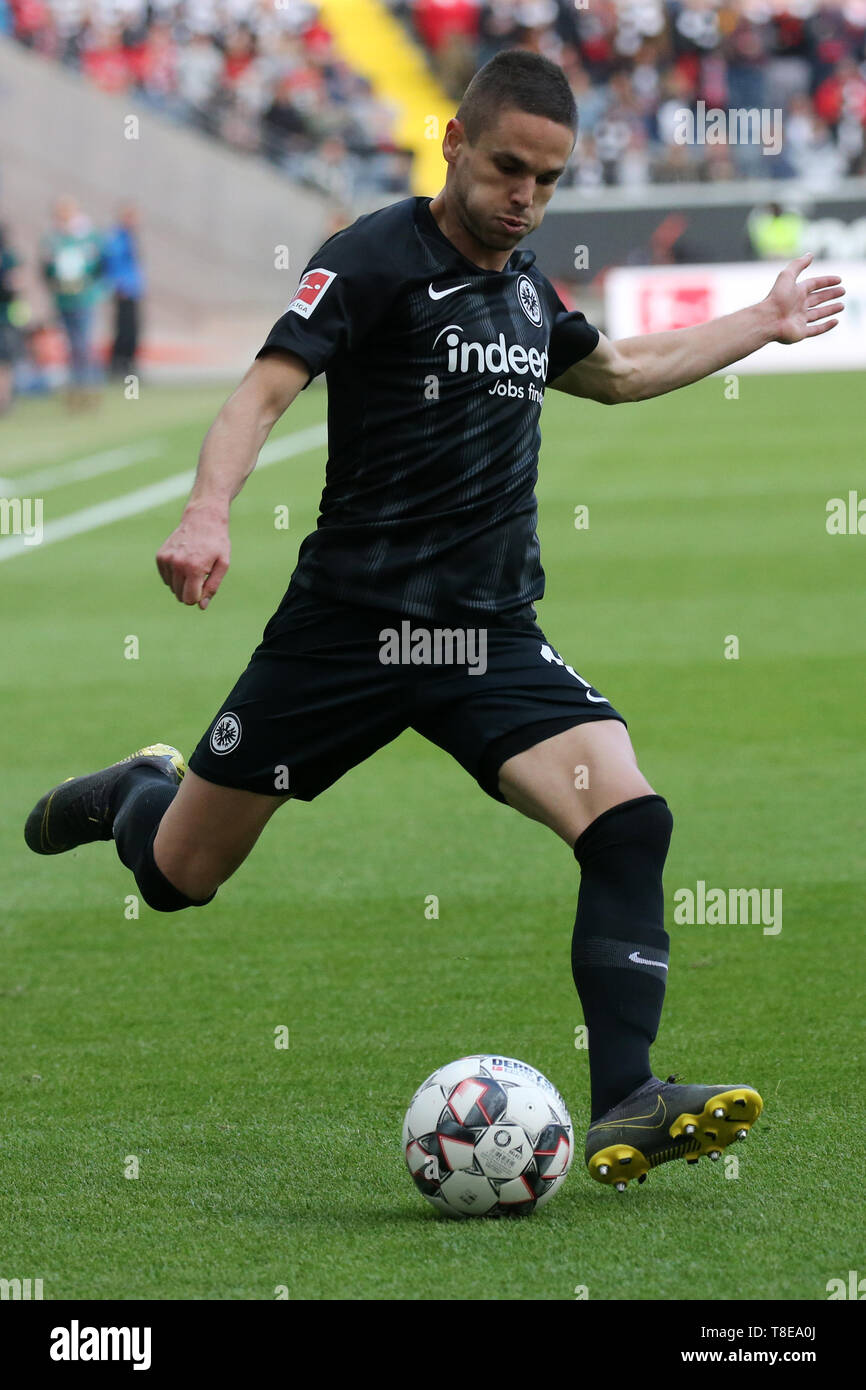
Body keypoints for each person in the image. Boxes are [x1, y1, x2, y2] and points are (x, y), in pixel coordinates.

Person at [25, 50, 845, 1196]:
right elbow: (262, 390)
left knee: (627, 819)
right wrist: (208, 512)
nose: (524, 197)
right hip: (342, 634)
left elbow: (615, 372)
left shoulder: (525, 286)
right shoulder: (368, 259)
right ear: (454, 142)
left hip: (488, 640)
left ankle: (627, 1093)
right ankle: (135, 790)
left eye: (547, 180)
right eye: (508, 167)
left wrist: (758, 321)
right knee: (178, 877)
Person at [41, 196, 104, 409]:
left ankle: (89, 388)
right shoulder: (53, 239)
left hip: (82, 298)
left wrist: (91, 285)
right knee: (71, 346)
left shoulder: (87, 236)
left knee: (83, 345)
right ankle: (76, 390)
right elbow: (46, 269)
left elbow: (98, 265)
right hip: (63, 299)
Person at [102, 203, 145, 379]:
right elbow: (113, 263)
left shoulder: (128, 236)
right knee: (125, 329)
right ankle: (120, 365)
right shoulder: (117, 237)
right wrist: (119, 285)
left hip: (133, 289)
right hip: (124, 289)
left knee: (132, 328)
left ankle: (128, 363)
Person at [0, 222, 22, 415]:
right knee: (5, 361)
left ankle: (4, 401)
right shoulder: (7, 257)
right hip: (6, 316)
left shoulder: (7, 257)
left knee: (5, 360)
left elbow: (14, 288)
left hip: (5, 316)